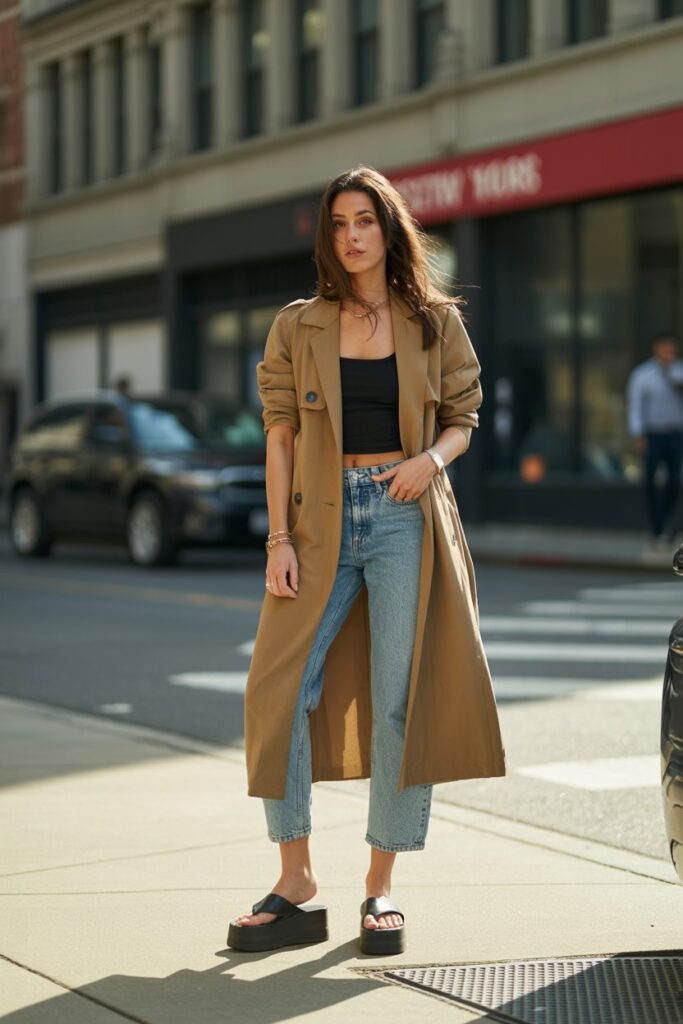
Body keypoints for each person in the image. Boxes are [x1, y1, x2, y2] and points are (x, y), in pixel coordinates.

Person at [227, 166, 505, 956]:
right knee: (276, 691)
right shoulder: (298, 324)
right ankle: (295, 879)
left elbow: (464, 415)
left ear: (389, 229)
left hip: (402, 514)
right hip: (315, 523)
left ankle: (380, 888)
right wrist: (278, 539)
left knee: (397, 701)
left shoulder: (433, 321)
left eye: (364, 221)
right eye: (338, 223)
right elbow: (279, 433)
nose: (350, 236)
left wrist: (430, 461)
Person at [627, 333, 683, 548]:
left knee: (674, 482)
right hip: (653, 434)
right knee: (650, 480)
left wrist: (672, 378)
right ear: (656, 348)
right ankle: (656, 527)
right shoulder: (643, 375)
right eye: (665, 348)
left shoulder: (679, 370)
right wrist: (637, 432)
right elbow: (635, 406)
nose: (669, 352)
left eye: (672, 348)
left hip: (675, 433)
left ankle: (665, 523)